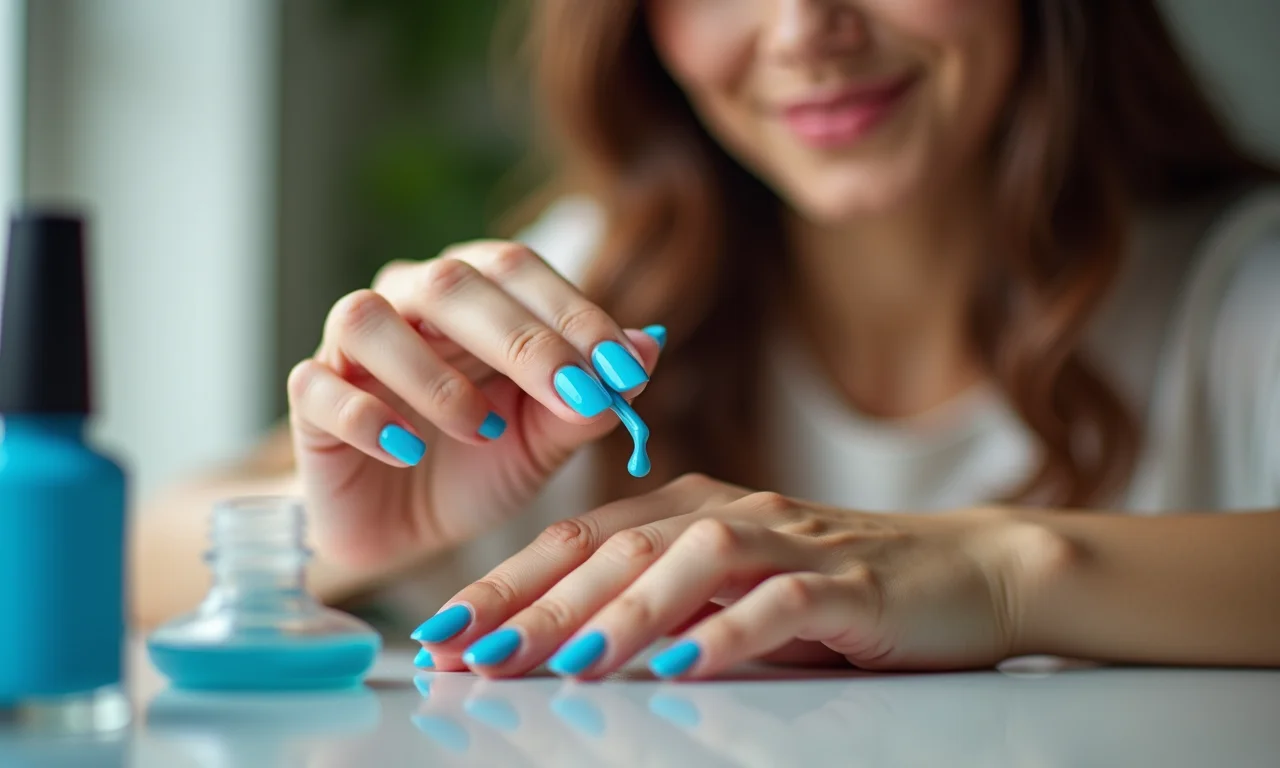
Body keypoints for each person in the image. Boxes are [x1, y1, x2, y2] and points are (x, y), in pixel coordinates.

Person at [134, 0, 1280, 679]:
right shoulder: (585, 294)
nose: (806, 33)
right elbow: (115, 566)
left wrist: (1002, 570)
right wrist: (338, 532)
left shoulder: (1240, 288)